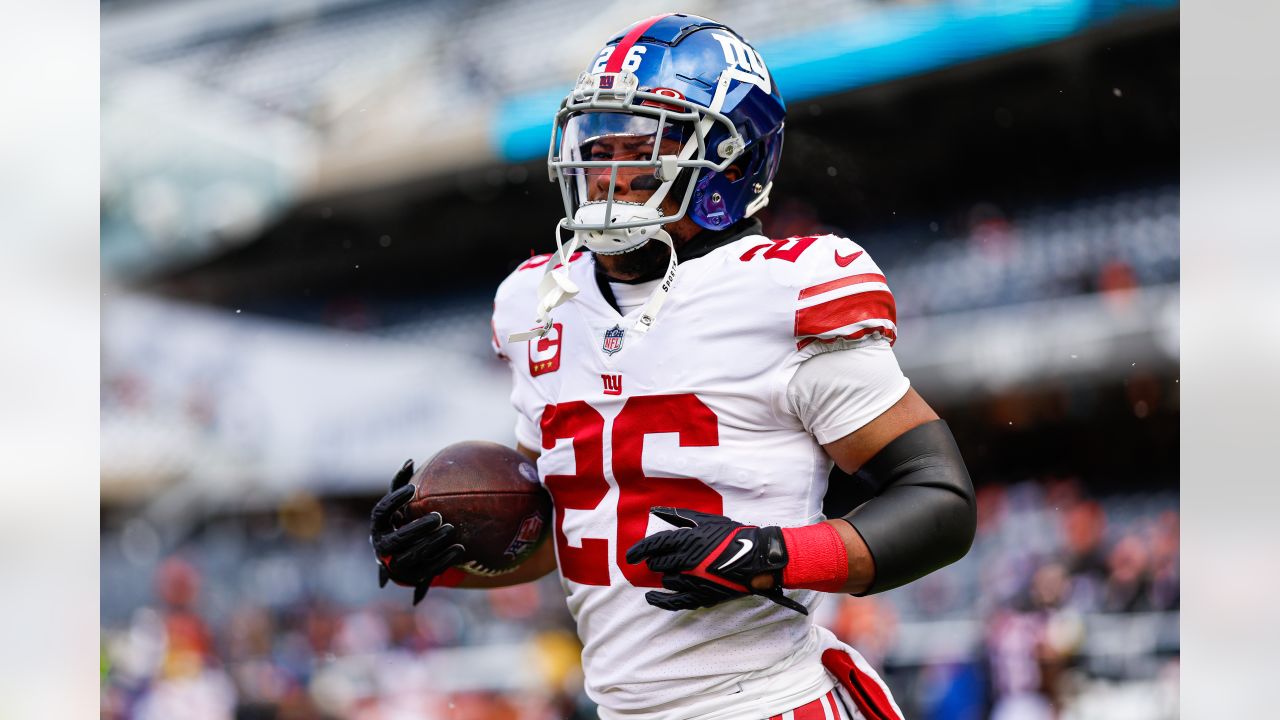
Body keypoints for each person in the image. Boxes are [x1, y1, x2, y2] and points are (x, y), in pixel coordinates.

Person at [371, 14, 976, 720]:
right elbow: (562, 530)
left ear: (730, 159)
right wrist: (446, 553)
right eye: (598, 147)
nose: (607, 173)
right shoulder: (536, 301)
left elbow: (938, 501)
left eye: (642, 148)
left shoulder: (787, 289)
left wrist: (773, 554)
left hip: (768, 704)